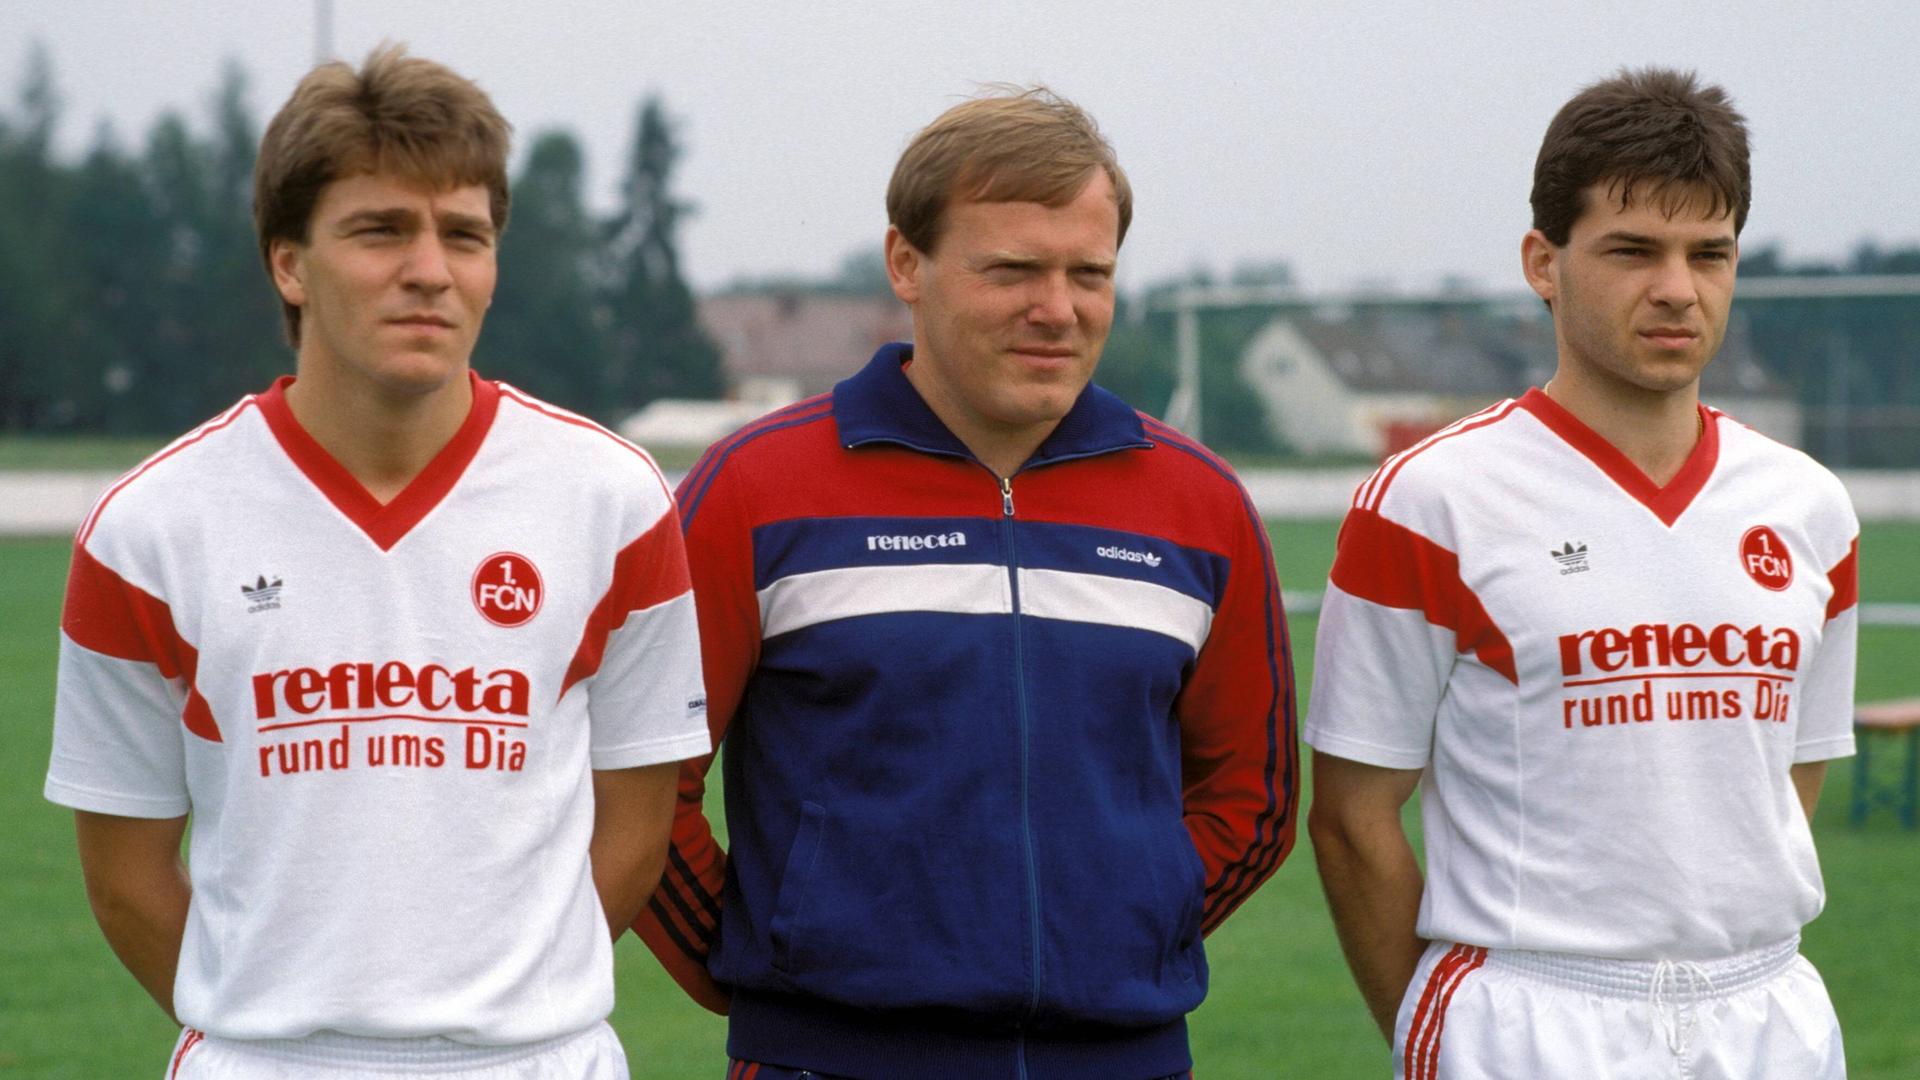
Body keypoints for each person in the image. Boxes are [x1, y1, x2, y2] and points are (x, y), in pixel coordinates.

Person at [45, 45, 710, 1079]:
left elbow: (634, 832)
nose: (431, 270)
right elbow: (128, 879)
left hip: (544, 1059)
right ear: (288, 262)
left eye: (465, 235)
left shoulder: (613, 502)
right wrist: (275, 1023)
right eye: (380, 230)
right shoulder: (150, 528)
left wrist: (507, 1008)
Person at [631, 87, 1298, 1080]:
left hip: (1124, 1062)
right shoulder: (755, 490)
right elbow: (643, 785)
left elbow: (1257, 797)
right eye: (1013, 271)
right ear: (907, 264)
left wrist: (1123, 931)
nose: (1057, 309)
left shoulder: (1198, 505)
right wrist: (779, 975)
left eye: (1089, 274)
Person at [1305, 68, 1857, 1079]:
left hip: (1770, 1011)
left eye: (1710, 253)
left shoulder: (1810, 508)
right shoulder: (1433, 500)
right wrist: (1448, 1030)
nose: (1678, 290)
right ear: (1543, 262)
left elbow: (1782, 784)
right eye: (1633, 251)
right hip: (1530, 1014)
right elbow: (1349, 817)